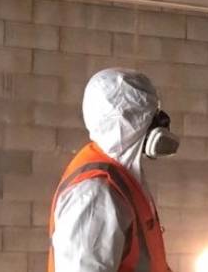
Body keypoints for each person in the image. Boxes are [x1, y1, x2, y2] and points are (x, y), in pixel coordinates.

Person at [49, 68, 179, 272]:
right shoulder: (96, 192)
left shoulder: (123, 177)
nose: (161, 122)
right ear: (130, 120)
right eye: (152, 114)